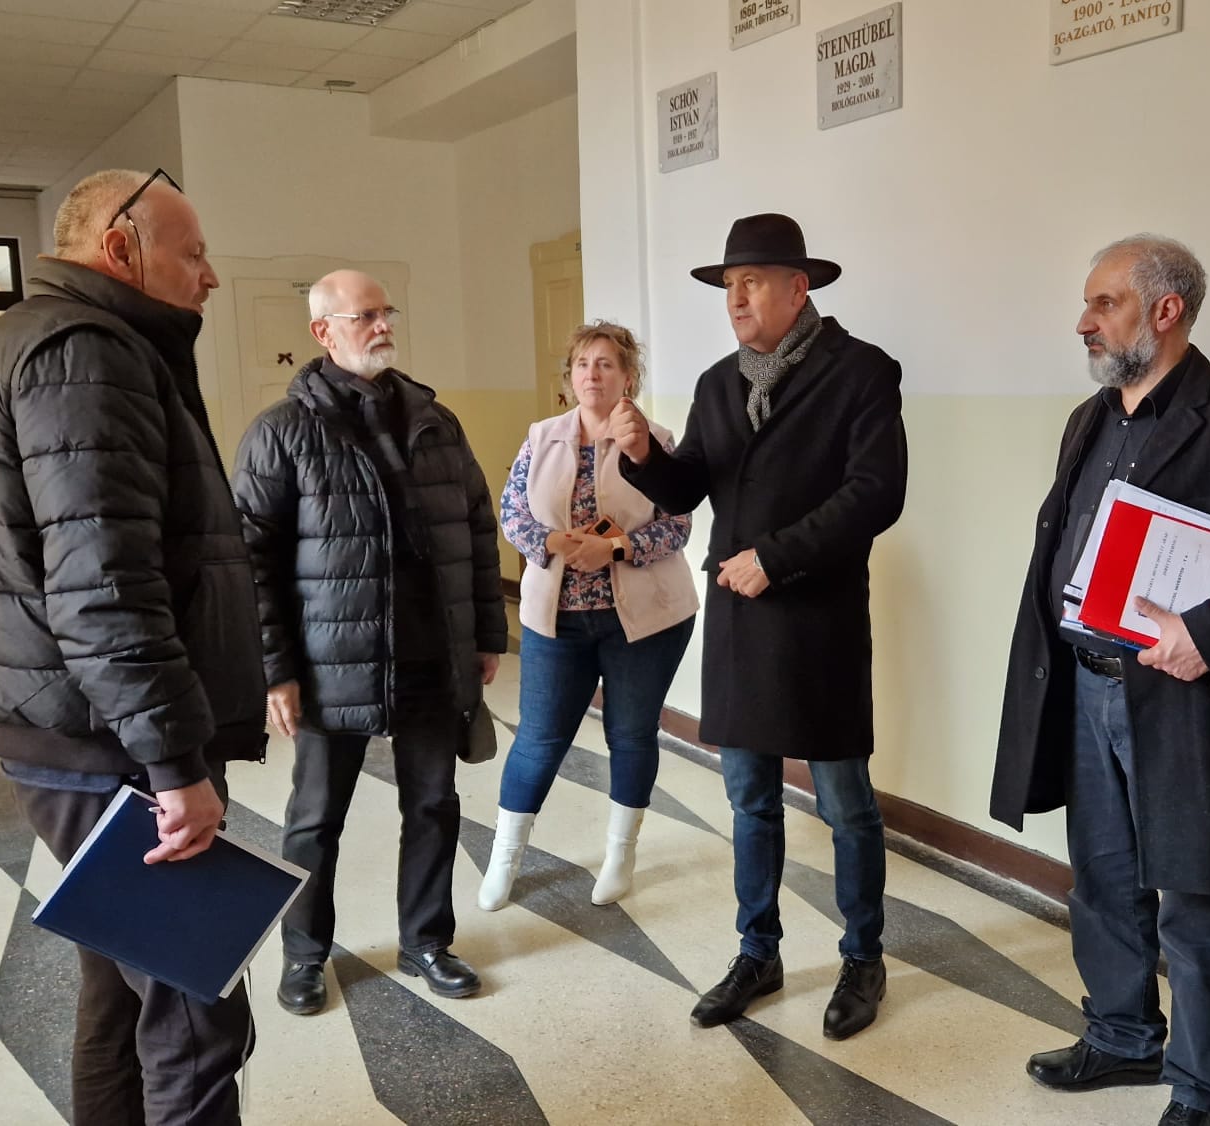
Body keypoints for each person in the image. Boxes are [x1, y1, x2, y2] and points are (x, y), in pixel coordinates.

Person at [989, 235, 1210, 1126]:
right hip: (1085, 684)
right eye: (1088, 303)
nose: (1084, 321)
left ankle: (1200, 1089)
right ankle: (1121, 1037)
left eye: (1103, 303)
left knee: (1193, 896)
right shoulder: (1089, 420)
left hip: (1187, 700)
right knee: (1102, 879)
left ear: (1166, 309)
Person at [0, 167, 264, 1126]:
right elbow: (104, 585)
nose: (210, 276)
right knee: (195, 1013)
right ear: (121, 249)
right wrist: (174, 765)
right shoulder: (88, 352)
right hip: (105, 735)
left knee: (121, 988)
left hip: (71, 721)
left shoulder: (40, 335)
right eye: (193, 254)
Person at [610, 213, 908, 1041]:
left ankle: (863, 956)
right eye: (728, 286)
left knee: (846, 803)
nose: (735, 299)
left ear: (797, 287)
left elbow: (876, 493)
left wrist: (776, 557)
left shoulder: (861, 372)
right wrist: (642, 456)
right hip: (742, 620)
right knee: (749, 798)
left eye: (751, 283)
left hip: (819, 617)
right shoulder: (717, 384)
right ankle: (757, 952)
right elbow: (687, 486)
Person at [231, 269, 506, 1017]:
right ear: (323, 332)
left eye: (387, 312)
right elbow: (249, 560)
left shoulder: (434, 421)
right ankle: (304, 954)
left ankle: (427, 941)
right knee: (316, 819)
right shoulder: (282, 432)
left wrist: (485, 632)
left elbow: (475, 529)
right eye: (365, 316)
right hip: (332, 665)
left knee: (434, 805)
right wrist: (276, 670)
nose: (383, 325)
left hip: (430, 656)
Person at [478, 322, 697, 910]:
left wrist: (616, 548)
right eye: (582, 364)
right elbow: (512, 513)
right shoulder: (541, 437)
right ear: (569, 377)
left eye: (605, 364)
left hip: (645, 621)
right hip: (558, 620)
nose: (592, 375)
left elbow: (678, 525)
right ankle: (504, 860)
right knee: (538, 740)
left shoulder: (657, 441)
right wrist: (550, 542)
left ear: (628, 378)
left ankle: (620, 856)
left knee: (631, 735)